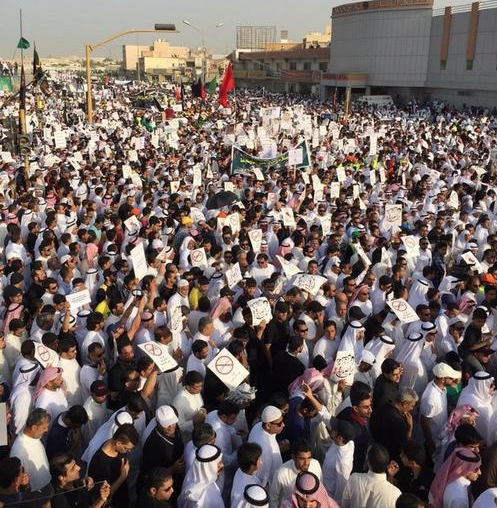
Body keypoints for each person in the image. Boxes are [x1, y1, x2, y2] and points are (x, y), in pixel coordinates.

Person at [88, 423, 139, 508]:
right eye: (126, 448)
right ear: (118, 443)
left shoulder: (117, 448)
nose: (129, 451)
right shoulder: (100, 463)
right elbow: (104, 494)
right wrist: (122, 477)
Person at [341, 444, 402, 508]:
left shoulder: (354, 478)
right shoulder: (396, 494)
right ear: (387, 463)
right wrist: (390, 477)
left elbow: (344, 504)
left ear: (368, 463)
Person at [269, 438, 322, 508]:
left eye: (309, 458)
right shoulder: (281, 473)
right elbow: (273, 499)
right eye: (302, 459)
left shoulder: (316, 465)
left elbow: (320, 491)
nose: (306, 463)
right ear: (293, 457)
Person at [9, 408, 51, 491]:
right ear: (34, 427)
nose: (47, 430)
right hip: (35, 493)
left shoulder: (35, 436)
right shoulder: (18, 451)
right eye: (44, 427)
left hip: (46, 485)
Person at [374, 387, 418, 463]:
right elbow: (405, 446)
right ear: (405, 404)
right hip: (391, 459)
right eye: (411, 406)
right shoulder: (399, 422)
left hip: (378, 452)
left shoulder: (384, 407)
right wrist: (410, 427)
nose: (411, 409)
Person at [337, 381, 372, 472]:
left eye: (370, 405)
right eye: (366, 407)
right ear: (355, 408)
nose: (370, 410)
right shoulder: (359, 433)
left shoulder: (346, 411)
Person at [247, 406, 286, 486]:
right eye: (279, 424)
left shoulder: (258, 425)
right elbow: (263, 477)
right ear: (268, 425)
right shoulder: (264, 449)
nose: (283, 425)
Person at [178, 444, 224, 508]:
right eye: (219, 464)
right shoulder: (207, 497)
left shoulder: (190, 476)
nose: (222, 466)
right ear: (209, 467)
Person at [322, 418, 355, 500]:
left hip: (329, 497)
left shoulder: (342, 462)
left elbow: (341, 489)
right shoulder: (349, 443)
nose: (331, 429)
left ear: (340, 438)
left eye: (334, 429)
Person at [231, 443, 263, 507]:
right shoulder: (245, 489)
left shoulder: (240, 470)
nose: (261, 462)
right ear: (252, 466)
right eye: (259, 459)